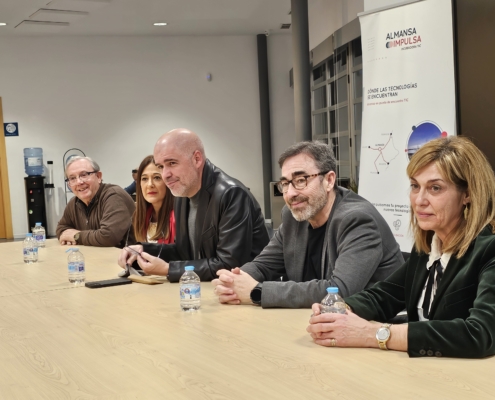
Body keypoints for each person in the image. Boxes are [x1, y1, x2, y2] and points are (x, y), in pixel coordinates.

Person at [307, 136, 495, 358]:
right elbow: (385, 296)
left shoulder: (489, 250)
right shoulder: (427, 247)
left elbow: (480, 334)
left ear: (468, 194)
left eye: (435, 188)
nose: (419, 200)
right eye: (415, 186)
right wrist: (341, 310)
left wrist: (373, 334)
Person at [212, 141, 403, 308]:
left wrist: (257, 292)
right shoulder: (293, 215)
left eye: (301, 180)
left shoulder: (357, 219)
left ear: (329, 180)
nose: (290, 193)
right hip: (317, 320)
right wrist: (235, 281)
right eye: (285, 183)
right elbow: (263, 265)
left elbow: (340, 291)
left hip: (371, 328)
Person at [118, 128, 270, 282]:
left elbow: (229, 264)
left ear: (197, 159)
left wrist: (168, 270)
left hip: (247, 294)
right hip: (208, 289)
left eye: (172, 163)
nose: (165, 175)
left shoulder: (232, 194)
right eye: (161, 167)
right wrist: (143, 250)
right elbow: (183, 251)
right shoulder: (182, 192)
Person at [56, 156, 136, 247]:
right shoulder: (74, 203)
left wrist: (76, 236)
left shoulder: (114, 195)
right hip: (94, 257)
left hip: (124, 258)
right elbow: (61, 229)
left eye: (84, 175)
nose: (79, 182)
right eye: (72, 178)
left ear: (98, 176)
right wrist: (69, 236)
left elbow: (108, 237)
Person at [133, 155, 175, 244]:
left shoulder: (178, 217)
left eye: (157, 177)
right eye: (144, 178)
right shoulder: (141, 215)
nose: (150, 184)